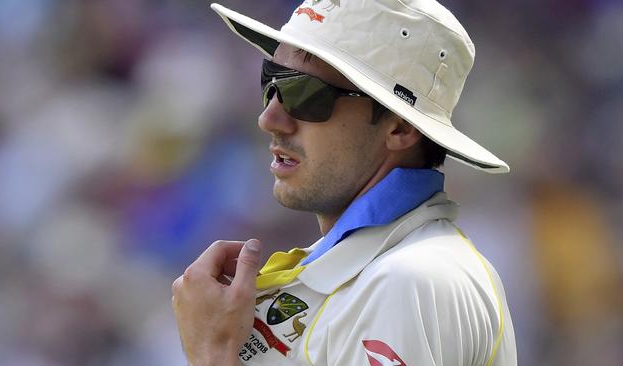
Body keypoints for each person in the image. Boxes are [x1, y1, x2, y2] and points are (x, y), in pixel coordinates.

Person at [172, 0, 517, 365]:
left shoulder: (405, 281)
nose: (269, 117)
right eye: (270, 82)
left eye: (305, 94)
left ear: (400, 127)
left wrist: (212, 354)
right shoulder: (383, 271)